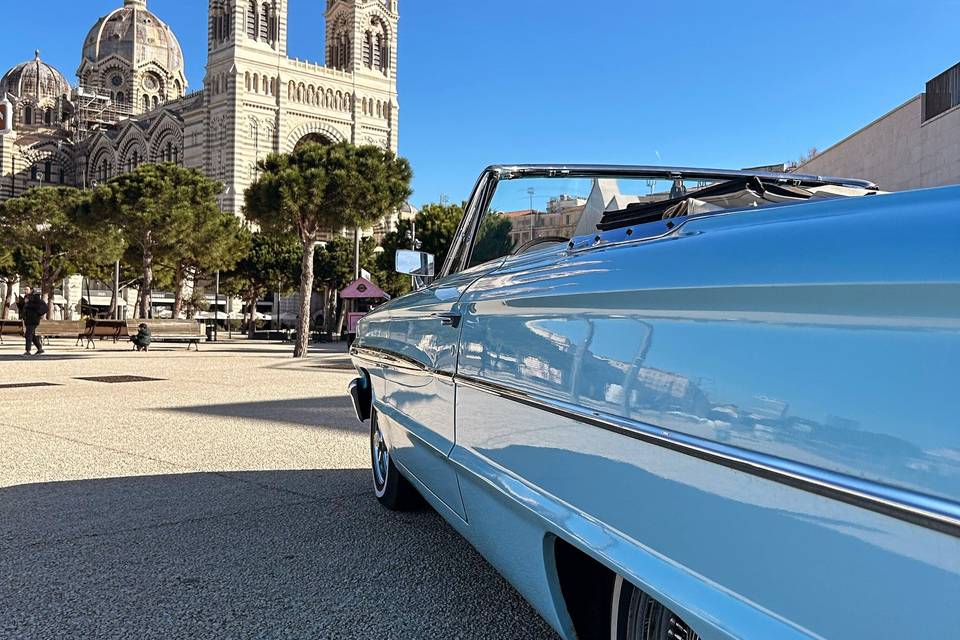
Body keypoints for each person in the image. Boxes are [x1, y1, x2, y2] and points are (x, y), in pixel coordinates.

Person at [22, 292, 48, 356]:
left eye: (26, 298)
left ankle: (28, 350)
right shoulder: (29, 304)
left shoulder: (33, 303)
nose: (25, 299)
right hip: (30, 321)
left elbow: (45, 308)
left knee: (28, 335)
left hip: (32, 321)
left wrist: (38, 313)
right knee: (32, 335)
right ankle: (39, 349)